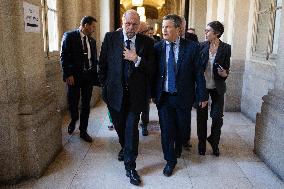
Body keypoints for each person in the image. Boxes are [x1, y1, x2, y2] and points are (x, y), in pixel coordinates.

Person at [99, 10, 155, 186]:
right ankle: (125, 147)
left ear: (139, 25)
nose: (131, 28)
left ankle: (130, 167)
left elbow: (152, 69)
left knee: (131, 129)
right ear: (123, 22)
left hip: (135, 97)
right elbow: (102, 65)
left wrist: (136, 59)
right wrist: (105, 86)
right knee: (120, 128)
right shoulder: (110, 38)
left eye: (135, 24)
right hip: (114, 94)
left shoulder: (146, 42)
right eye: (128, 23)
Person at [153, 14, 207, 177]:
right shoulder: (158, 48)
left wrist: (202, 95)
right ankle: (170, 161)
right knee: (167, 130)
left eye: (168, 27)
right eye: (163, 27)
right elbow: (153, 73)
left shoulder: (192, 47)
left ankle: (178, 145)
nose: (164, 30)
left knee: (182, 128)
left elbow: (198, 73)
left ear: (179, 29)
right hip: (164, 96)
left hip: (183, 96)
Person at [60, 16, 100, 143]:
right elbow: (63, 56)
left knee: (86, 104)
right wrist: (68, 74)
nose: (94, 29)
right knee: (73, 101)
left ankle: (83, 131)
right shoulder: (70, 36)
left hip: (88, 76)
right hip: (74, 76)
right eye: (93, 26)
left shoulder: (92, 41)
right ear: (86, 25)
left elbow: (93, 60)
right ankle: (73, 120)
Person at [196, 21, 231, 156]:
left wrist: (225, 73)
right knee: (201, 118)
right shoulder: (201, 46)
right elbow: (197, 68)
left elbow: (226, 68)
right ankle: (201, 144)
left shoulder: (226, 48)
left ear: (216, 33)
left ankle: (214, 142)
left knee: (217, 117)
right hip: (203, 87)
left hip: (217, 87)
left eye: (208, 31)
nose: (205, 33)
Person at [137, 21, 152, 136]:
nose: (147, 33)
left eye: (147, 31)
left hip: (146, 80)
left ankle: (145, 125)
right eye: (144, 31)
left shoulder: (151, 43)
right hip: (134, 80)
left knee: (146, 106)